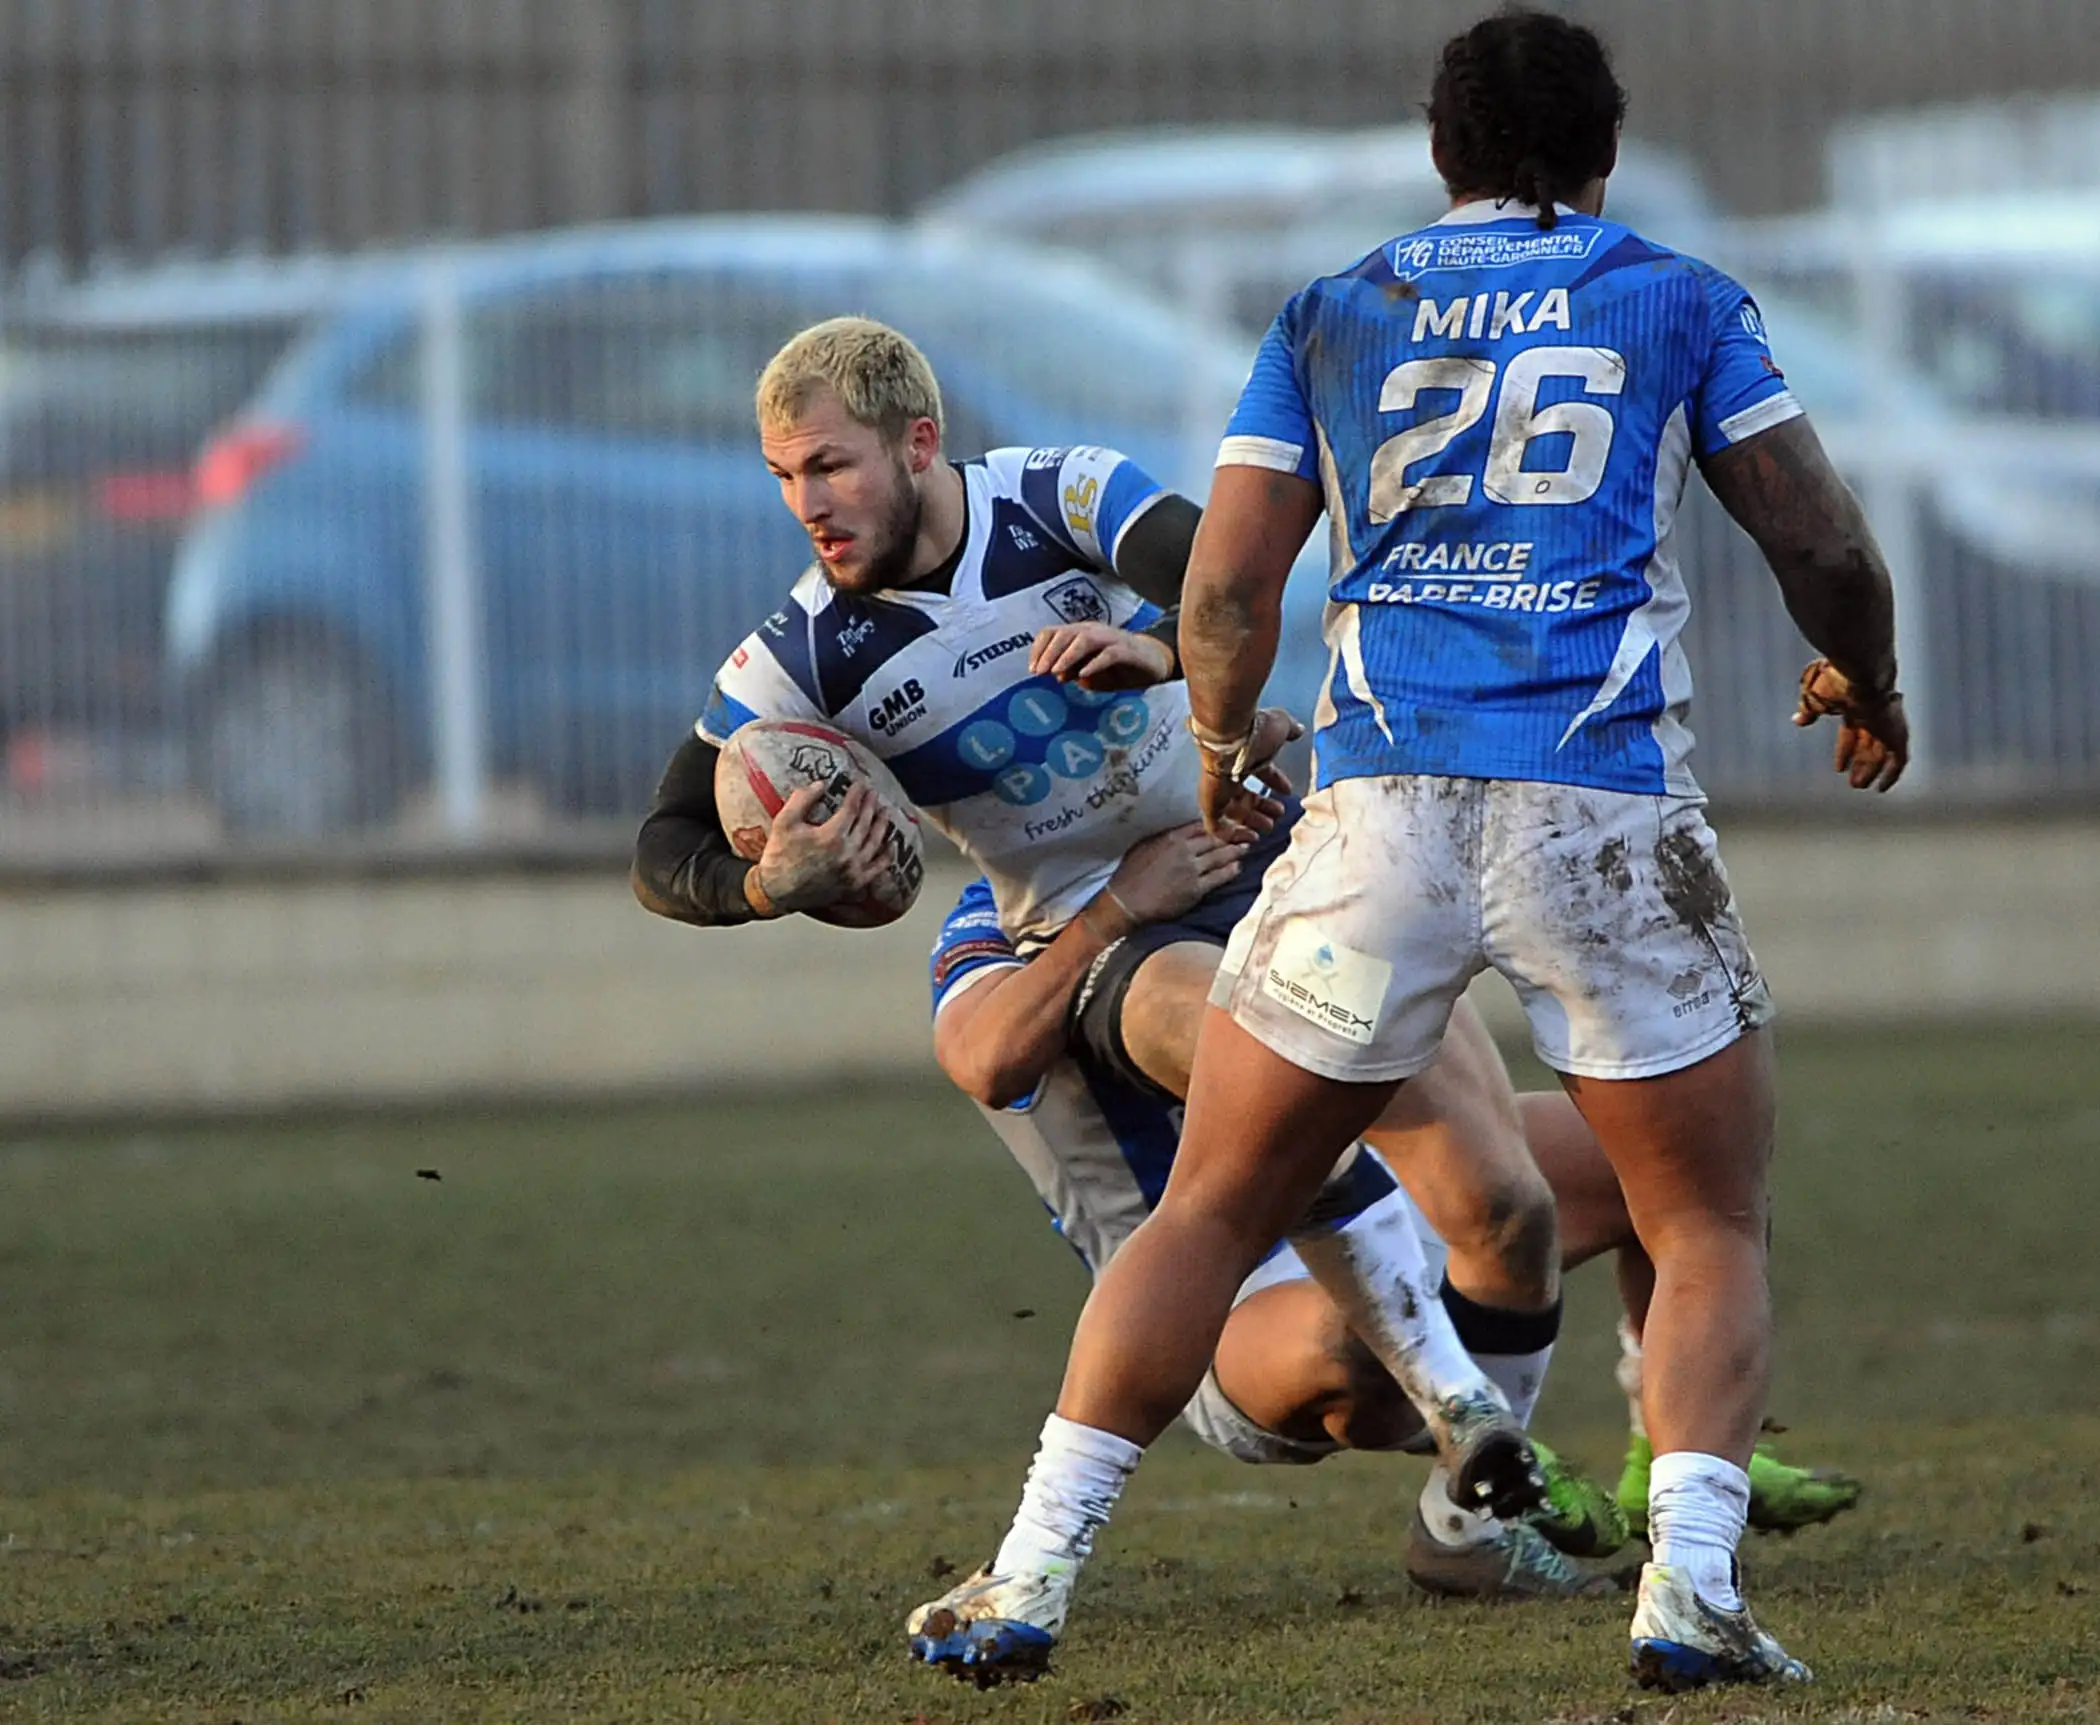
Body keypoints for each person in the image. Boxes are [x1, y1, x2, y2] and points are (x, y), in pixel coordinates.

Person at [933, 10, 1908, 1695]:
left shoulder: (1333, 310)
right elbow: (1816, 533)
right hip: (1597, 812)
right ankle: (1687, 1589)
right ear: (1599, 154)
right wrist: (1869, 677)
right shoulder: (1675, 294)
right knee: (1706, 1219)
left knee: (1212, 1207)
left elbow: (1228, 588)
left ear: (1441, 151)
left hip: (1376, 820)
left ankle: (1025, 1579)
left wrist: (1228, 745)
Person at [632, 316, 1579, 1523]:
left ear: (919, 442)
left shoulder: (1056, 496)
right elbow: (664, 850)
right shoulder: (807, 655)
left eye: (829, 465)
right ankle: (1463, 1425)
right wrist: (771, 883)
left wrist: (1156, 649)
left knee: (1530, 1194)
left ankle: (1591, 1479)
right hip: (1112, 943)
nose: (806, 503)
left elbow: (1225, 579)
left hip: (1274, 879)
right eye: (784, 477)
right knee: (1289, 1085)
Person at [911, 838, 1861, 1672]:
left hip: (1369, 1187)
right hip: (1230, 1296)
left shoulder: (1241, 843)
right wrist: (1119, 908)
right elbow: (990, 1056)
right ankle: (1471, 1450)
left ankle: (1643, 1467)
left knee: (1676, 1171)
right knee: (1349, 1336)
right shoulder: (1006, 912)